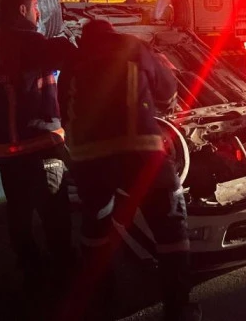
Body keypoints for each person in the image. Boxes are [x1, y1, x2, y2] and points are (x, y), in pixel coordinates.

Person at [58, 20, 200, 321]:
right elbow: (167, 91)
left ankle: (103, 298)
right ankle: (178, 308)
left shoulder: (73, 60)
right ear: (112, 31)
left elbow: (64, 112)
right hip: (140, 153)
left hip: (90, 159)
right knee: (170, 226)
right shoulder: (133, 47)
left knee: (95, 226)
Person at [0, 0, 76, 286]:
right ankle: (65, 273)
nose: (39, 13)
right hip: (40, 145)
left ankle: (30, 266)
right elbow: (74, 58)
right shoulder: (33, 43)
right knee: (55, 213)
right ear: (22, 10)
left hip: (5, 150)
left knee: (18, 211)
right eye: (36, 7)